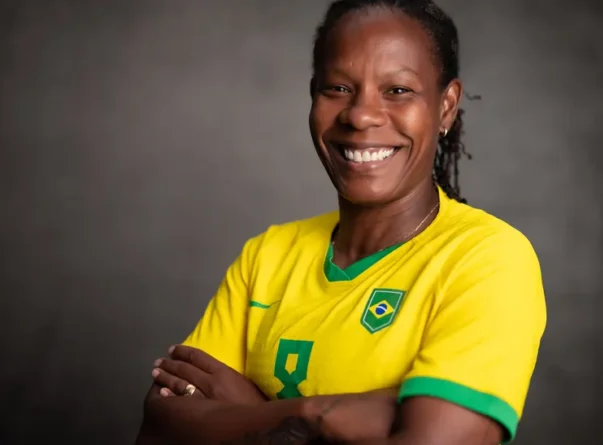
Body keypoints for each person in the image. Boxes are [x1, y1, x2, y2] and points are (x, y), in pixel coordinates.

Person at [135, 1, 547, 444]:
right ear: (313, 95)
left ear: (446, 106)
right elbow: (161, 430)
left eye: (398, 91)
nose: (361, 115)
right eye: (338, 88)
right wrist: (315, 414)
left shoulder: (487, 260)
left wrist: (249, 413)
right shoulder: (267, 256)